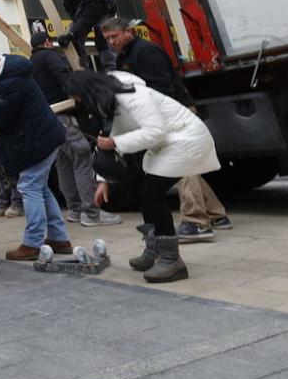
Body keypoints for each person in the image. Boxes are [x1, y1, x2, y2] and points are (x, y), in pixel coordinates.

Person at [64, 71, 220, 283]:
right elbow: (115, 138)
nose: (79, 102)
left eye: (78, 97)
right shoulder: (114, 100)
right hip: (170, 144)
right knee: (143, 190)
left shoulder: (133, 95)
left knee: (150, 192)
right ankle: (155, 250)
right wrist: (103, 181)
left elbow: (156, 131)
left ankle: (171, 260)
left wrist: (115, 144)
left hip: (187, 140)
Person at [101, 18, 233, 242]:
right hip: (165, 116)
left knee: (178, 164)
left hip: (175, 115)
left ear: (128, 32)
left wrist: (154, 121)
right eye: (108, 39)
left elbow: (163, 89)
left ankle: (196, 222)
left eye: (115, 36)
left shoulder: (146, 52)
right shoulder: (125, 55)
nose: (112, 42)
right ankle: (217, 215)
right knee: (185, 166)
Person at [0, 49, 71, 261]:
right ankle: (59, 238)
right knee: (40, 188)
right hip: (42, 138)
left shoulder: (10, 82)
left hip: (39, 140)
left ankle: (32, 243)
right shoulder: (7, 77)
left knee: (29, 186)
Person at [28, 32, 122, 228]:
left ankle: (74, 209)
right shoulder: (50, 56)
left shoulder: (31, 63)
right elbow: (63, 78)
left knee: (64, 162)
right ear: (47, 42)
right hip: (62, 114)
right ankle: (92, 212)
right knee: (82, 156)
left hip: (47, 120)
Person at [48, 0, 118, 70]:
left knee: (102, 37)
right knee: (75, 40)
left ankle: (111, 68)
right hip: (81, 15)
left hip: (103, 13)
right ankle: (82, 68)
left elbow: (85, 21)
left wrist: (70, 35)